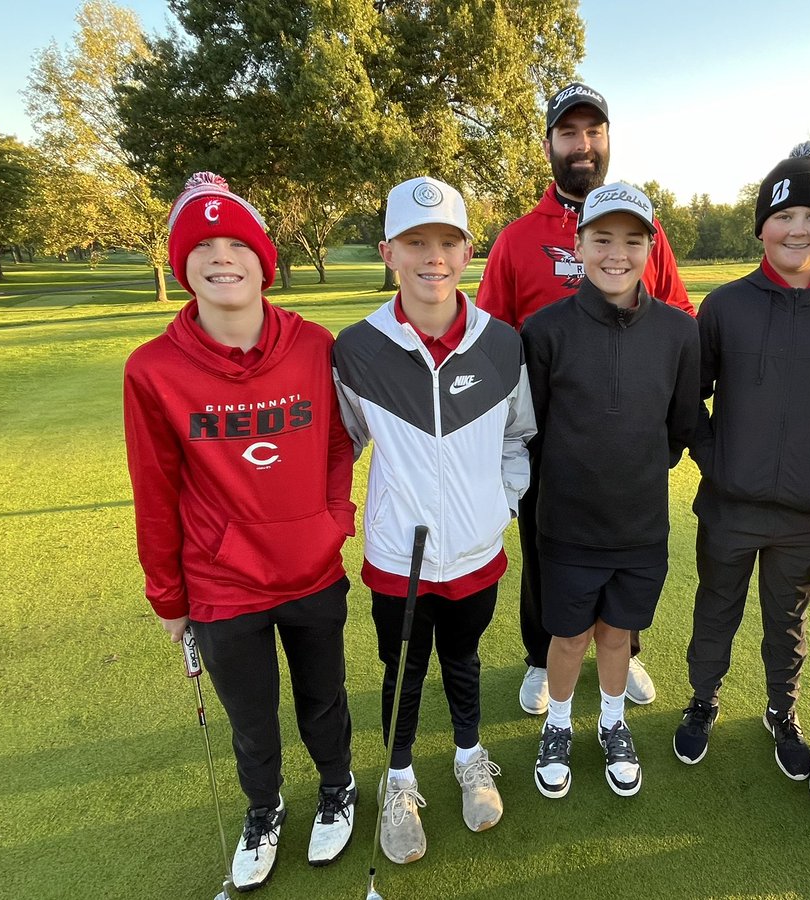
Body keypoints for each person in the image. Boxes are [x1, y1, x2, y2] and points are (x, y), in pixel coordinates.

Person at [124, 172, 358, 891]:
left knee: (325, 697)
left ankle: (337, 788)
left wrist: (333, 520)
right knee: (251, 717)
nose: (222, 258)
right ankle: (264, 809)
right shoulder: (152, 370)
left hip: (312, 567)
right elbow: (154, 491)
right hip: (221, 584)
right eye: (203, 246)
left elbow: (337, 446)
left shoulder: (316, 345)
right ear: (180, 264)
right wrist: (168, 598)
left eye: (237, 244)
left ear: (264, 260)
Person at [332, 177, 535, 864]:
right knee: (403, 668)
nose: (433, 256)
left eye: (447, 241)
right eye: (416, 242)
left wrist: (500, 503)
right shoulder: (355, 350)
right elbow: (344, 442)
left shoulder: (503, 345)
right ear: (388, 251)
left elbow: (517, 437)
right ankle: (398, 779)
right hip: (398, 558)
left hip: (477, 551)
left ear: (469, 250)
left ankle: (470, 758)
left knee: (465, 659)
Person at [478, 81, 695, 716]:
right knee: (546, 556)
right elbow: (491, 338)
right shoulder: (519, 238)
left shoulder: (641, 232)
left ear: (607, 140)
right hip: (545, 435)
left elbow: (675, 317)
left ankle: (621, 653)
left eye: (593, 131)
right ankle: (541, 658)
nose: (582, 144)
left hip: (625, 435)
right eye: (569, 132)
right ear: (549, 143)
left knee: (627, 550)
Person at [674, 144, 810, 777]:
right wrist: (716, 460)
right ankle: (702, 702)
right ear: (762, 225)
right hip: (731, 506)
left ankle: (781, 712)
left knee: (788, 621)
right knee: (716, 609)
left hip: (809, 513)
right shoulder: (725, 306)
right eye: (784, 216)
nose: (798, 229)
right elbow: (687, 401)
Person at [521, 182, 699, 799]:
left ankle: (613, 723)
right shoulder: (543, 331)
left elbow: (679, 428)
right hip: (567, 524)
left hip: (640, 525)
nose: (616, 253)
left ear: (651, 247)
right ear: (579, 245)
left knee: (618, 634)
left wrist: (636, 467)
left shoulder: (679, 332)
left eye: (632, 239)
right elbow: (533, 428)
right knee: (568, 636)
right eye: (602, 239)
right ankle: (560, 725)